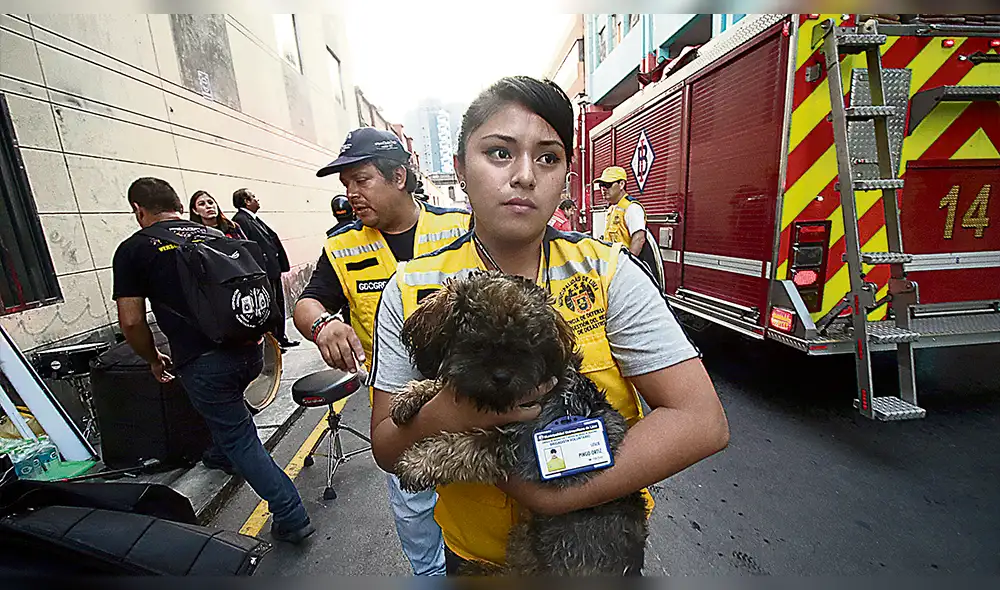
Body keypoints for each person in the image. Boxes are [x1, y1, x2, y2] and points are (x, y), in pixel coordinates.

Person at [369, 76, 729, 574]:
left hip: (596, 559)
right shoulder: (412, 287)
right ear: (459, 169)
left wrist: (556, 495)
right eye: (499, 153)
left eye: (548, 158)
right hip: (477, 563)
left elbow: (702, 421)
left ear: (566, 176)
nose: (524, 176)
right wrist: (448, 408)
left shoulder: (608, 272)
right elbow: (389, 448)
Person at [293, 127, 469, 576]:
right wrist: (323, 323)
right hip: (398, 416)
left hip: (471, 403)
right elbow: (307, 303)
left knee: (482, 505)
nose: (351, 193)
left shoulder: (459, 228)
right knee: (415, 514)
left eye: (361, 180)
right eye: (346, 184)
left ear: (399, 177)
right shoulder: (342, 247)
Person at [112, 177, 314, 545]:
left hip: (204, 362)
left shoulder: (134, 249)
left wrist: (152, 357)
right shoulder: (217, 235)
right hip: (250, 350)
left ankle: (290, 513)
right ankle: (219, 454)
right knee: (230, 419)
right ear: (176, 203)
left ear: (139, 210)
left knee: (240, 437)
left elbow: (131, 320)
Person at [233, 189, 299, 352]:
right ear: (246, 201)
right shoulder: (241, 220)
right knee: (270, 308)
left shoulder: (253, 219)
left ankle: (281, 338)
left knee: (278, 305)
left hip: (272, 270)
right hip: (264, 272)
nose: (257, 199)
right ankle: (275, 343)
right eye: (253, 197)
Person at [596, 166, 646, 257]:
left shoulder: (632, 208)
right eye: (601, 185)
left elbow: (639, 239)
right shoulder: (612, 208)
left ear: (621, 184)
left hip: (622, 266)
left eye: (608, 185)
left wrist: (628, 264)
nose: (603, 189)